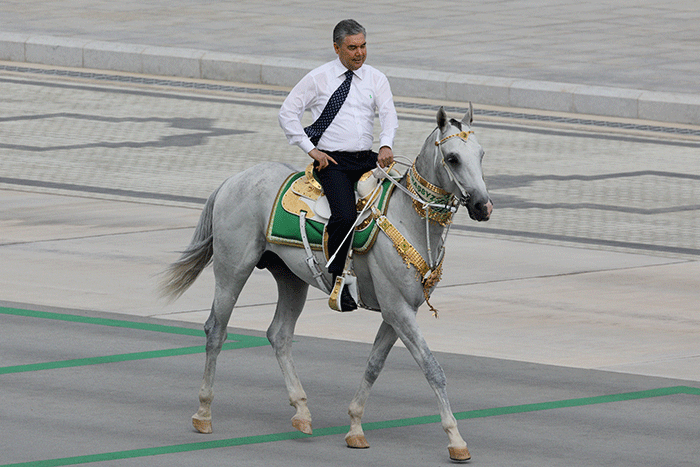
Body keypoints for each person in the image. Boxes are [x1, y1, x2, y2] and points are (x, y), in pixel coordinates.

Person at [279, 19, 398, 311]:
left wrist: (386, 144)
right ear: (336, 48)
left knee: (402, 201)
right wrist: (311, 150)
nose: (359, 53)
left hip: (367, 157)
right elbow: (287, 113)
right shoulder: (319, 78)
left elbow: (389, 113)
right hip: (333, 162)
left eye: (363, 46)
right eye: (352, 47)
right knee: (344, 217)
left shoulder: (376, 78)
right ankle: (337, 280)